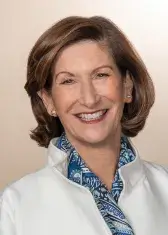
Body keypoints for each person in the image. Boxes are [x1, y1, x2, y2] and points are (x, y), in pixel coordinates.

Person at [0, 15, 168, 235]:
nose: (89, 99)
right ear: (48, 100)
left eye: (101, 75)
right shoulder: (14, 207)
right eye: (68, 81)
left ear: (127, 86)